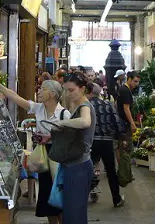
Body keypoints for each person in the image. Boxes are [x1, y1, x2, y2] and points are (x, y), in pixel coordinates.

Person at [0, 78, 69, 224]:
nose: (39, 91)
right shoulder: (39, 108)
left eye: (43, 89)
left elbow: (71, 138)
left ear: (53, 94)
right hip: (43, 156)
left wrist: (51, 137)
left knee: (59, 196)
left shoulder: (63, 114)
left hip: (58, 157)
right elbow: (16, 98)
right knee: (47, 197)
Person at [52, 72, 97, 224]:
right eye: (66, 90)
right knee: (72, 212)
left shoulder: (84, 106)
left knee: (74, 214)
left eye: (71, 90)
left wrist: (63, 123)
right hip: (75, 166)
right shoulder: (78, 105)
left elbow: (85, 122)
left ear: (82, 88)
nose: (68, 94)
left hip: (79, 167)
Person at [86, 82, 125, 207]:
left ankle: (83, 195)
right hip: (107, 141)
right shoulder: (108, 104)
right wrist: (120, 138)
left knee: (86, 169)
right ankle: (116, 199)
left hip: (91, 142)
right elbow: (117, 122)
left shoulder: (85, 106)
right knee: (110, 171)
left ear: (89, 92)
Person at [116, 71, 140, 139]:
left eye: (138, 82)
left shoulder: (124, 88)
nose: (137, 84)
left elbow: (116, 103)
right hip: (124, 123)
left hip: (122, 120)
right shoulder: (125, 90)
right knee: (126, 143)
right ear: (129, 79)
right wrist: (132, 123)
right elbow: (126, 108)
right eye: (135, 81)